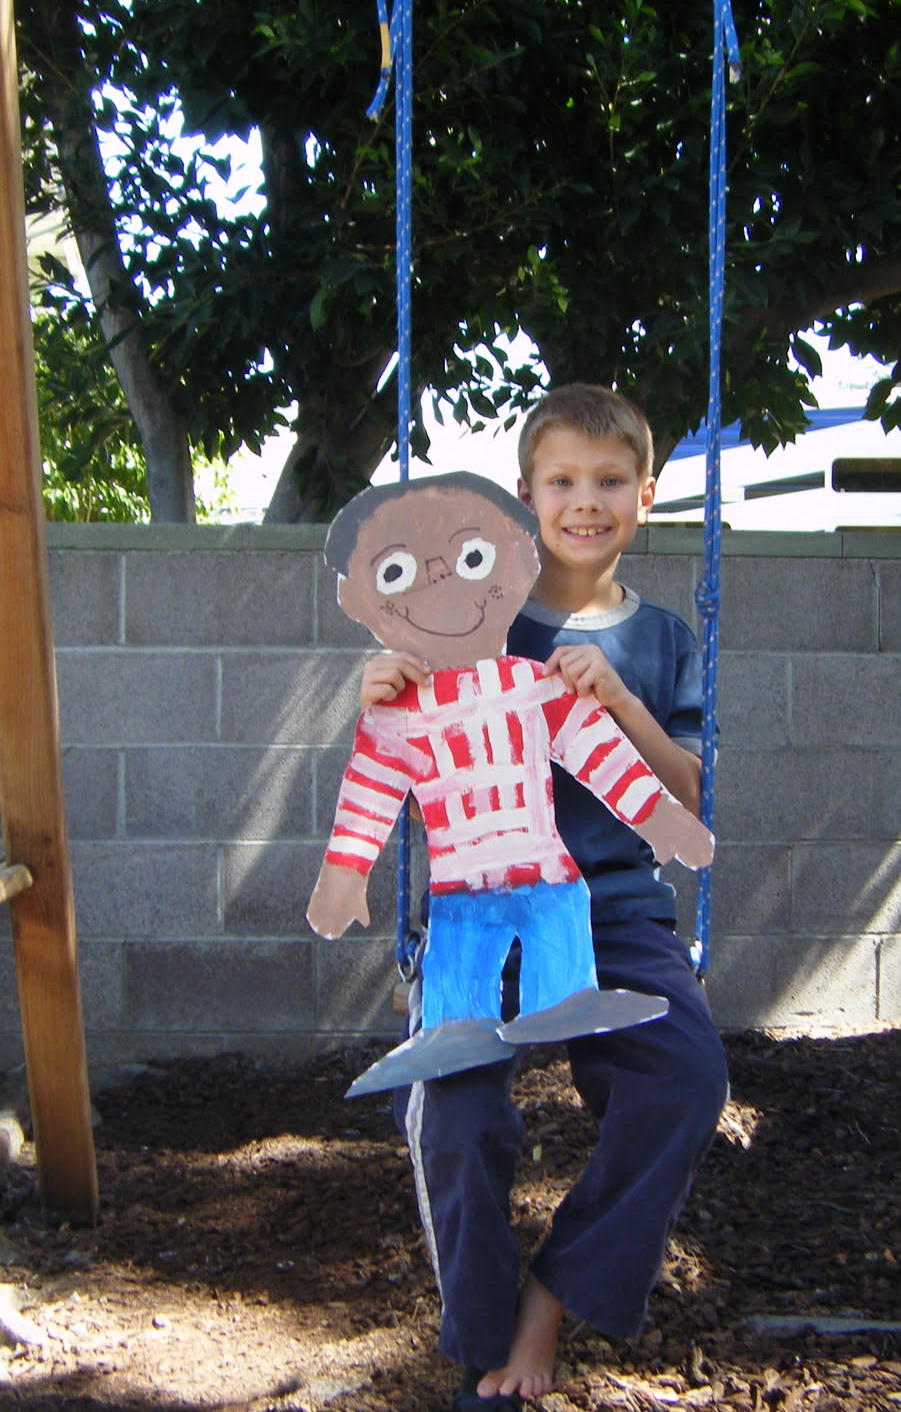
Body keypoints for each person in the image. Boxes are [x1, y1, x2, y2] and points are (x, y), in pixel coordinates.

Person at [358, 385, 730, 1411]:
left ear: (645, 496)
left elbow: (688, 795)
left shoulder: (665, 640)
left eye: (610, 480)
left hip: (616, 913)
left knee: (686, 1077)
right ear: (527, 498)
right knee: (455, 1111)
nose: (586, 501)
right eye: (563, 480)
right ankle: (484, 1349)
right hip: (484, 910)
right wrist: (382, 699)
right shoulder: (476, 619)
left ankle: (551, 1301)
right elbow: (410, 759)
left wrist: (619, 702)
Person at [308, 472, 711, 1095]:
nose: (442, 581)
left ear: (517, 565)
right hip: (460, 888)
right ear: (360, 603)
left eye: (471, 559)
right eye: (397, 573)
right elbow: (371, 791)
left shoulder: (534, 684)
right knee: (460, 981)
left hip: (547, 872)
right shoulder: (399, 714)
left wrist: (659, 816)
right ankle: (455, 1025)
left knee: (559, 947)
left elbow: (598, 752)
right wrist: (344, 873)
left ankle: (564, 1000)